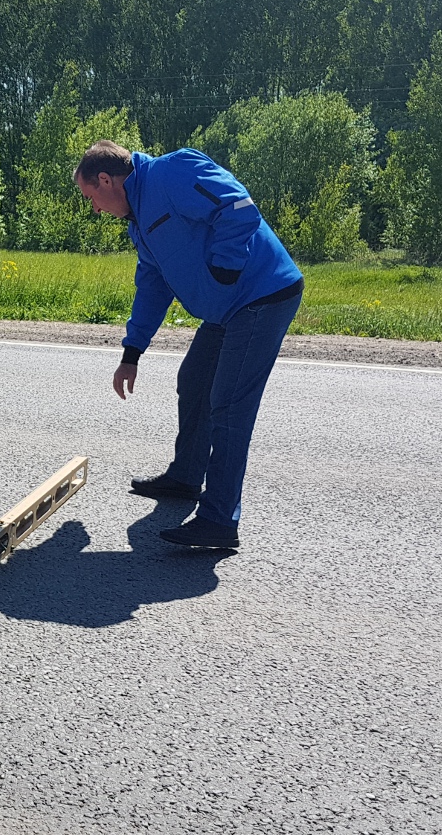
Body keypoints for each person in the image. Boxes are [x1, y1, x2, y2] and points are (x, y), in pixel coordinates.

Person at [75, 140, 304, 551]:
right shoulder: (140, 221)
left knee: (229, 405)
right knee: (194, 382)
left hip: (260, 297)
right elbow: (152, 285)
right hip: (226, 310)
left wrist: (224, 269)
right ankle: (185, 477)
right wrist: (132, 352)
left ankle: (219, 519)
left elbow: (238, 208)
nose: (95, 209)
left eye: (92, 197)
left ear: (107, 180)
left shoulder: (172, 172)